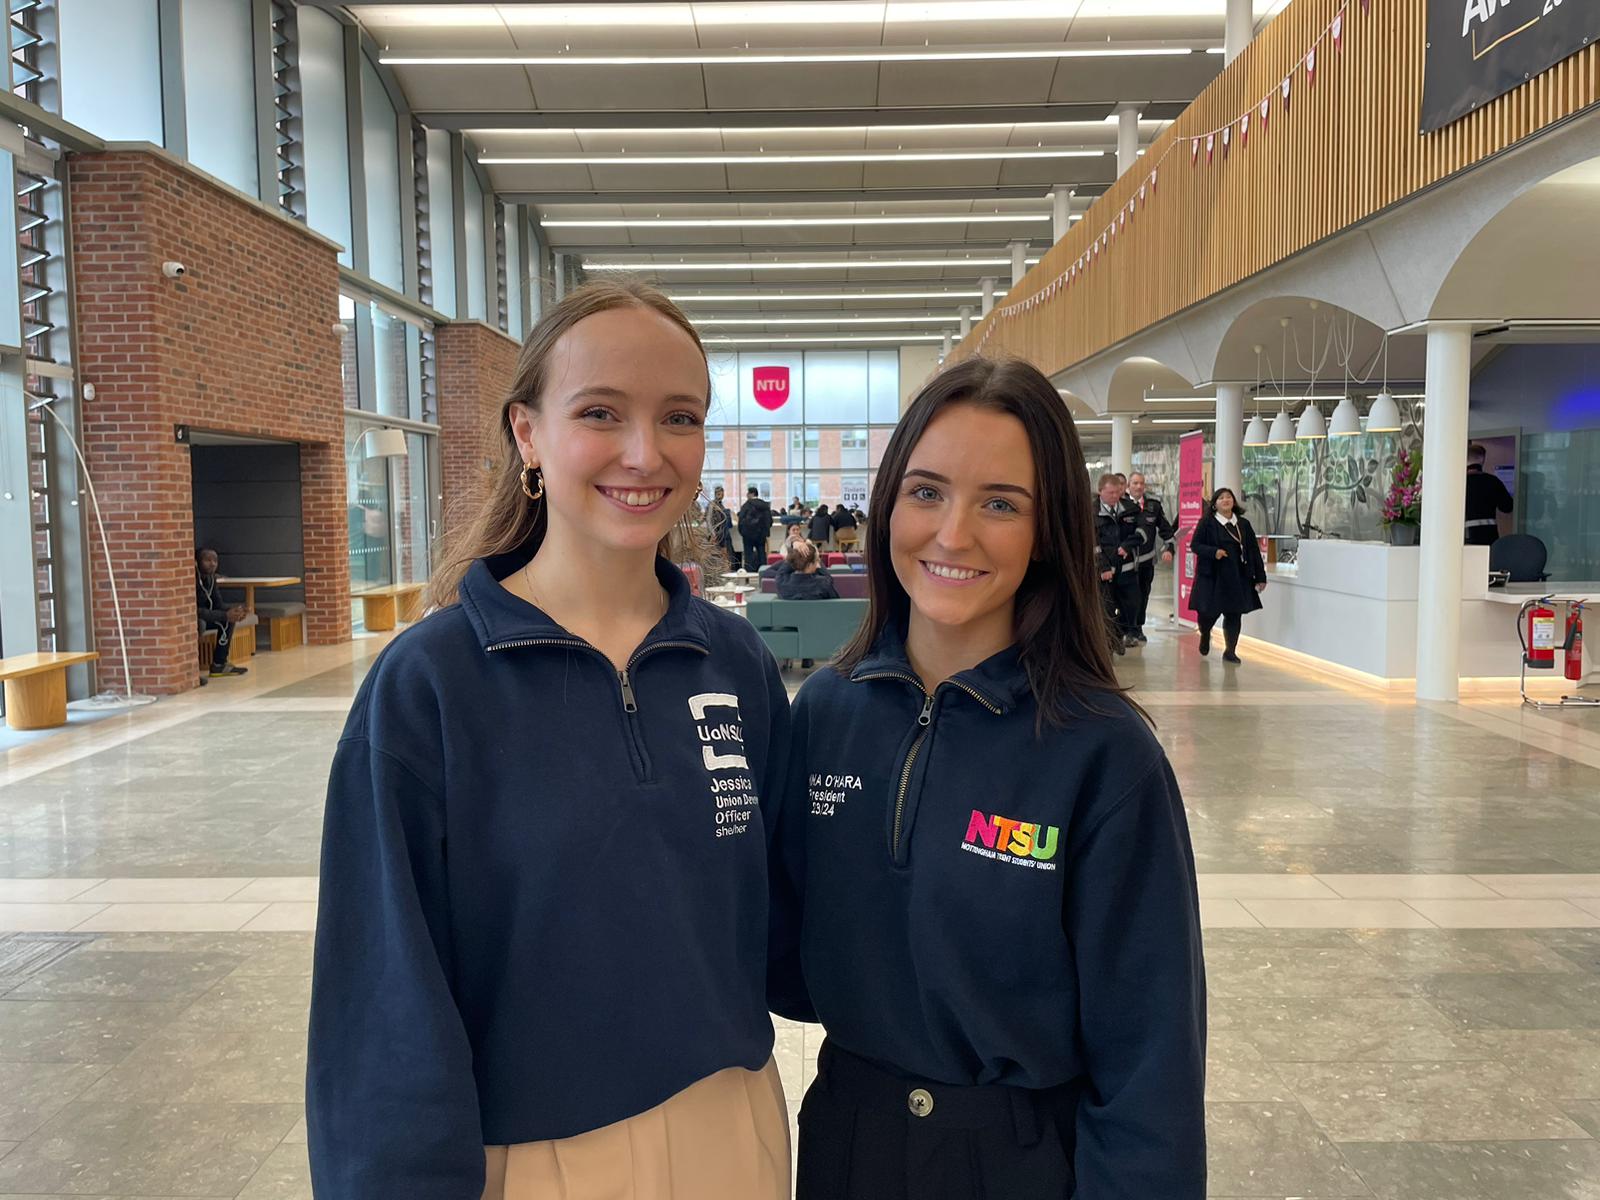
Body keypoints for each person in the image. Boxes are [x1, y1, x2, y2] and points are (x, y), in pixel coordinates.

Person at [307, 280, 793, 1199]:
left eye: (679, 417)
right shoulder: (431, 685)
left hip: (735, 1129)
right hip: (533, 1158)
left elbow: (795, 922)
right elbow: (382, 998)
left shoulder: (731, 661)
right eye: (601, 412)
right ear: (526, 433)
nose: (645, 453)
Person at [776, 355, 1206, 1200]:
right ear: (888, 503)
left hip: (1023, 1162)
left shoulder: (1102, 754)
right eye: (927, 491)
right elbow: (776, 960)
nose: (952, 534)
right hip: (846, 1144)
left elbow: (1150, 1059)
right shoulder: (826, 713)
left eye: (1000, 504)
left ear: (1048, 531)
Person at [1188, 486, 1267, 664]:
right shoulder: (1207, 523)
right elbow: (1196, 545)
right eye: (1221, 498)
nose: (1226, 500)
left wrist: (1260, 577)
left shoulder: (1243, 524)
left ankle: (1230, 650)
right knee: (1207, 614)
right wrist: (1213, 552)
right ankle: (1205, 633)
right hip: (1212, 577)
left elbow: (1253, 551)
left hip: (1237, 577)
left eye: (1229, 497)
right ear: (1215, 504)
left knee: (1234, 615)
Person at [1125, 472, 1177, 643]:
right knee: (1128, 596)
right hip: (1125, 562)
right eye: (1135, 483)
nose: (1138, 487)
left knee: (1143, 594)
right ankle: (1127, 628)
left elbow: (1166, 530)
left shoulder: (1153, 506)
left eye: (1141, 483)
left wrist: (1169, 548)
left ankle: (1138, 627)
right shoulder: (1120, 505)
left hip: (1147, 562)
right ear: (1128, 485)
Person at [1095, 474, 1142, 653]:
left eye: (1117, 492)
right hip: (1103, 571)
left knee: (1131, 606)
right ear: (1101, 492)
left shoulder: (1131, 509)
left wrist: (1128, 545)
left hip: (1127, 568)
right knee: (1106, 608)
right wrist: (1103, 567)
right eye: (1110, 493)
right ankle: (1108, 643)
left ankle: (1118, 634)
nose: (1114, 496)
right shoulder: (1091, 512)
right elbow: (1092, 543)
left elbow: (1142, 529)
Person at [195, 547, 248, 677]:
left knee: (229, 620)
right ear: (197, 562)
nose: (212, 563)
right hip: (196, 618)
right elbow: (195, 611)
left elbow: (218, 604)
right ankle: (193, 669)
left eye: (215, 560)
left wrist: (235, 611)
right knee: (201, 623)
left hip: (208, 615)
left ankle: (219, 664)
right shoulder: (191, 580)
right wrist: (224, 615)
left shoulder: (211, 578)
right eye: (207, 560)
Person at [1465, 442, 1513, 545]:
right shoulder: (1493, 481)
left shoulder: (1458, 482)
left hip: (1463, 535)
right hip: (1489, 535)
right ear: (1482, 460)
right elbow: (1507, 507)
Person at [738, 485, 774, 572]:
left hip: (748, 535)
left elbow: (741, 520)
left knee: (748, 555)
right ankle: (763, 573)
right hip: (761, 535)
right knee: (762, 554)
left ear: (752, 494)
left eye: (748, 493)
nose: (747, 495)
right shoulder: (765, 505)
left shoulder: (746, 505)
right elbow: (770, 521)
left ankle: (748, 575)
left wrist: (742, 532)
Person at [707, 483, 736, 567]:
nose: (721, 495)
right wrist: (713, 533)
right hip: (718, 533)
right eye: (719, 493)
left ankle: (726, 569)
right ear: (715, 494)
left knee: (727, 553)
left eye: (722, 494)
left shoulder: (720, 504)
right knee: (721, 554)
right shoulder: (712, 504)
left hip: (723, 532)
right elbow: (709, 519)